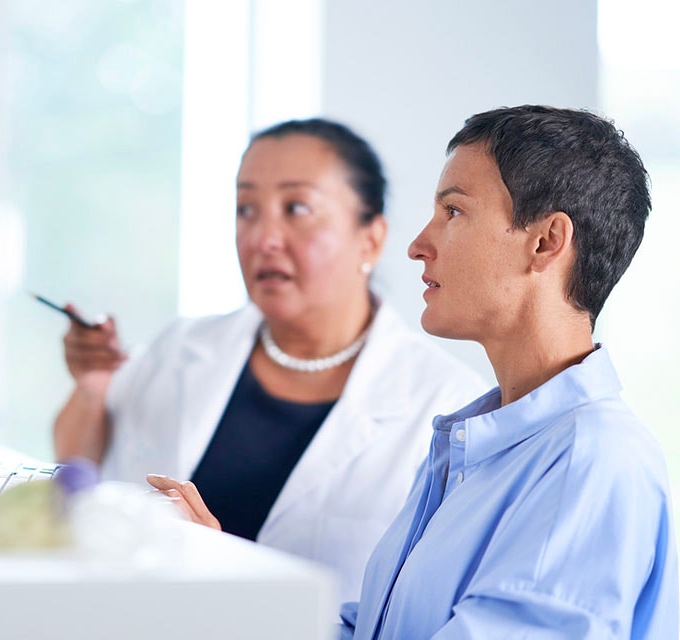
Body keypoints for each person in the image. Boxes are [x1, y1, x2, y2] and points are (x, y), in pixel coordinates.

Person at [53, 118, 486, 603]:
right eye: (246, 209)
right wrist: (93, 388)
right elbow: (77, 472)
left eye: (296, 208)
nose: (263, 238)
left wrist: (215, 565)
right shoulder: (182, 348)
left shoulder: (450, 406)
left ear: (371, 238)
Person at [340, 106, 678, 639]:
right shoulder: (472, 449)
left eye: (452, 212)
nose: (417, 245)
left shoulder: (591, 460)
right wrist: (226, 574)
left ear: (545, 241)